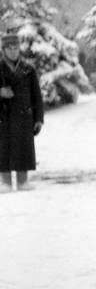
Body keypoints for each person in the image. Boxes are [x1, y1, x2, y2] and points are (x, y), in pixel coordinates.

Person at [0, 32, 43, 192]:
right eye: (9, 48)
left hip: (24, 116)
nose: (13, 51)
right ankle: (5, 182)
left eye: (16, 47)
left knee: (23, 148)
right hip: (3, 117)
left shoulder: (28, 69)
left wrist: (38, 118)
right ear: (3, 50)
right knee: (3, 149)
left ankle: (23, 181)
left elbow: (36, 96)